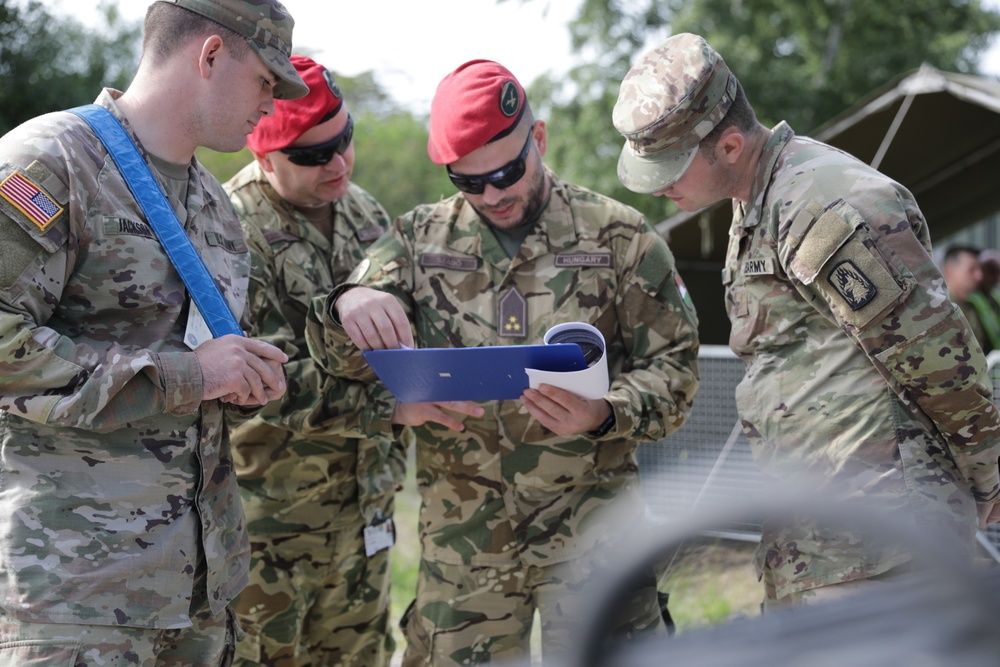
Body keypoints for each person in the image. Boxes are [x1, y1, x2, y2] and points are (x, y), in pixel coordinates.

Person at [306, 59, 700, 665]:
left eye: (509, 171)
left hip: (594, 537)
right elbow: (340, 362)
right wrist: (346, 305)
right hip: (465, 546)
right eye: (470, 182)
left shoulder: (621, 238)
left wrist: (603, 412)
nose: (492, 194)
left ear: (537, 139)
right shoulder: (416, 242)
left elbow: (675, 370)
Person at [611, 33, 1000, 608]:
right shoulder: (758, 202)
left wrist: (989, 476)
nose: (662, 186)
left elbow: (933, 352)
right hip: (825, 531)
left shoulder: (821, 203)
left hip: (883, 536)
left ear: (730, 145)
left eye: (670, 168)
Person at [0, 0, 307, 664]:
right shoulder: (51, 164)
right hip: (75, 600)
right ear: (211, 55)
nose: (273, 105)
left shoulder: (216, 207)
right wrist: (191, 375)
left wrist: (238, 376)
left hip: (197, 598)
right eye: (266, 80)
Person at [224, 55, 403, 667]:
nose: (338, 163)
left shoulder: (367, 214)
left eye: (345, 139)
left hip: (365, 512)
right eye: (313, 154)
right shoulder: (227, 231)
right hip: (270, 524)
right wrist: (395, 405)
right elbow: (257, 380)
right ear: (264, 157)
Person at [942, 245, 998, 353]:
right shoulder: (939, 309)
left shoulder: (974, 304)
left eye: (979, 269)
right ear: (949, 271)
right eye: (971, 270)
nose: (979, 276)